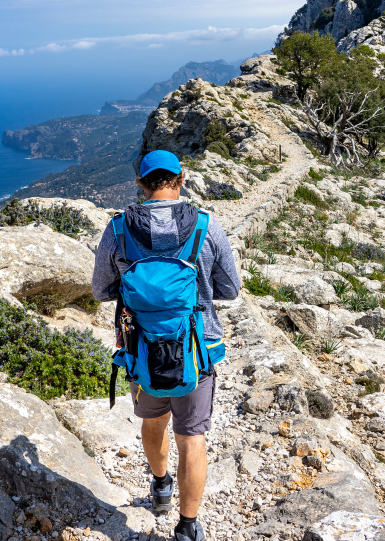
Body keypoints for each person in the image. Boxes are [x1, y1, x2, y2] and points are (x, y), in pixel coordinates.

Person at [91, 150, 241, 541]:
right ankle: (188, 527)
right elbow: (231, 289)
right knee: (192, 436)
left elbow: (100, 290)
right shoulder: (207, 227)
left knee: (152, 422)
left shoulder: (118, 229)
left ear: (141, 183)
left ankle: (160, 485)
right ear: (181, 178)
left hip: (140, 350)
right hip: (197, 351)